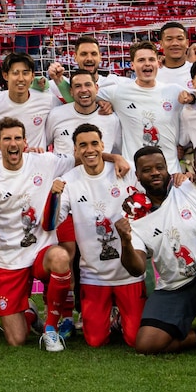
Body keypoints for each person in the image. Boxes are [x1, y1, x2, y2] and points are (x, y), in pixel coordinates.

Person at [115, 139, 196, 361]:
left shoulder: (195, 189)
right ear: (137, 176)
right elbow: (137, 268)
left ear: (168, 168)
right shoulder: (135, 213)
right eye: (147, 170)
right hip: (174, 284)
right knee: (146, 344)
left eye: (159, 167)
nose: (155, 173)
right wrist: (125, 242)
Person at [0, 116, 74, 348]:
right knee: (16, 340)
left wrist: (113, 157)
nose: (13, 143)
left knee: (60, 257)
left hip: (40, 250)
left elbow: (81, 157)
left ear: (25, 142)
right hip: (8, 259)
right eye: (6, 139)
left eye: (17, 138)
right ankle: (30, 314)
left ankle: (50, 328)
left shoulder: (44, 161)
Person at [55, 122, 149, 348]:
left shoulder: (123, 170)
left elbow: (147, 200)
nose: (90, 150)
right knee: (96, 341)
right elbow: (53, 221)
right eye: (83, 145)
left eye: (94, 143)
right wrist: (53, 198)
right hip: (94, 275)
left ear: (102, 145)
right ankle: (110, 318)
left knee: (135, 339)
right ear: (75, 150)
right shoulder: (69, 181)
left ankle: (121, 319)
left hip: (129, 274)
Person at [0, 52, 60, 152]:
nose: (21, 78)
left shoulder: (48, 100)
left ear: (32, 76)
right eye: (15, 73)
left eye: (25, 73)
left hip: (35, 165)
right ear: (5, 75)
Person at [46, 70, 121, 157]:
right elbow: (44, 143)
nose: (83, 90)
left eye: (88, 85)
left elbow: (121, 150)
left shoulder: (111, 119)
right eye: (78, 86)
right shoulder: (56, 115)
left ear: (96, 88)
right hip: (63, 170)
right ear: (71, 91)